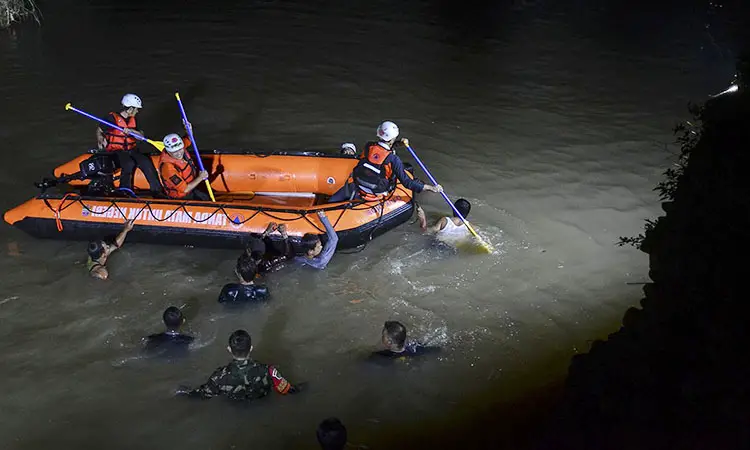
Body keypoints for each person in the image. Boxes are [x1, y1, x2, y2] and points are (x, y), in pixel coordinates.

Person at [328, 121, 443, 203]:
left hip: (358, 184)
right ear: (392, 139)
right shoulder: (393, 159)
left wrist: (398, 143)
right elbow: (407, 183)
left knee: (332, 200)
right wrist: (431, 188)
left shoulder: (368, 146)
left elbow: (380, 152)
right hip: (376, 190)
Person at [175, 329, 304, 401]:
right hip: (261, 401)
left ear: (229, 350)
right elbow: (288, 390)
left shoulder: (219, 377)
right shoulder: (269, 371)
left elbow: (202, 394)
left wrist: (182, 391)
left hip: (235, 405)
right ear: (251, 348)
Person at [95, 94, 164, 195]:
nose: (137, 111)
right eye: (136, 109)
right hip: (116, 151)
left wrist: (132, 131)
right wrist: (100, 138)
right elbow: (99, 130)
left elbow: (141, 136)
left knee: (146, 162)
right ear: (130, 109)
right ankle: (125, 191)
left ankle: (157, 191)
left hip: (132, 150)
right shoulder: (111, 118)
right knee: (128, 163)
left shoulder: (134, 119)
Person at [158, 132, 210, 200]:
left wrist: (188, 129)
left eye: (180, 149)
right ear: (168, 151)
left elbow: (189, 138)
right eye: (175, 152)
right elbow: (184, 189)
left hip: (191, 186)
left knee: (205, 196)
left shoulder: (179, 145)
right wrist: (201, 177)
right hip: (181, 197)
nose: (179, 153)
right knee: (204, 199)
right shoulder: (167, 168)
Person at [371, 320, 440, 360]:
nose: (382, 336)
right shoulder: (416, 347)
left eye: (383, 335)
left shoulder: (382, 355)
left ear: (389, 342)